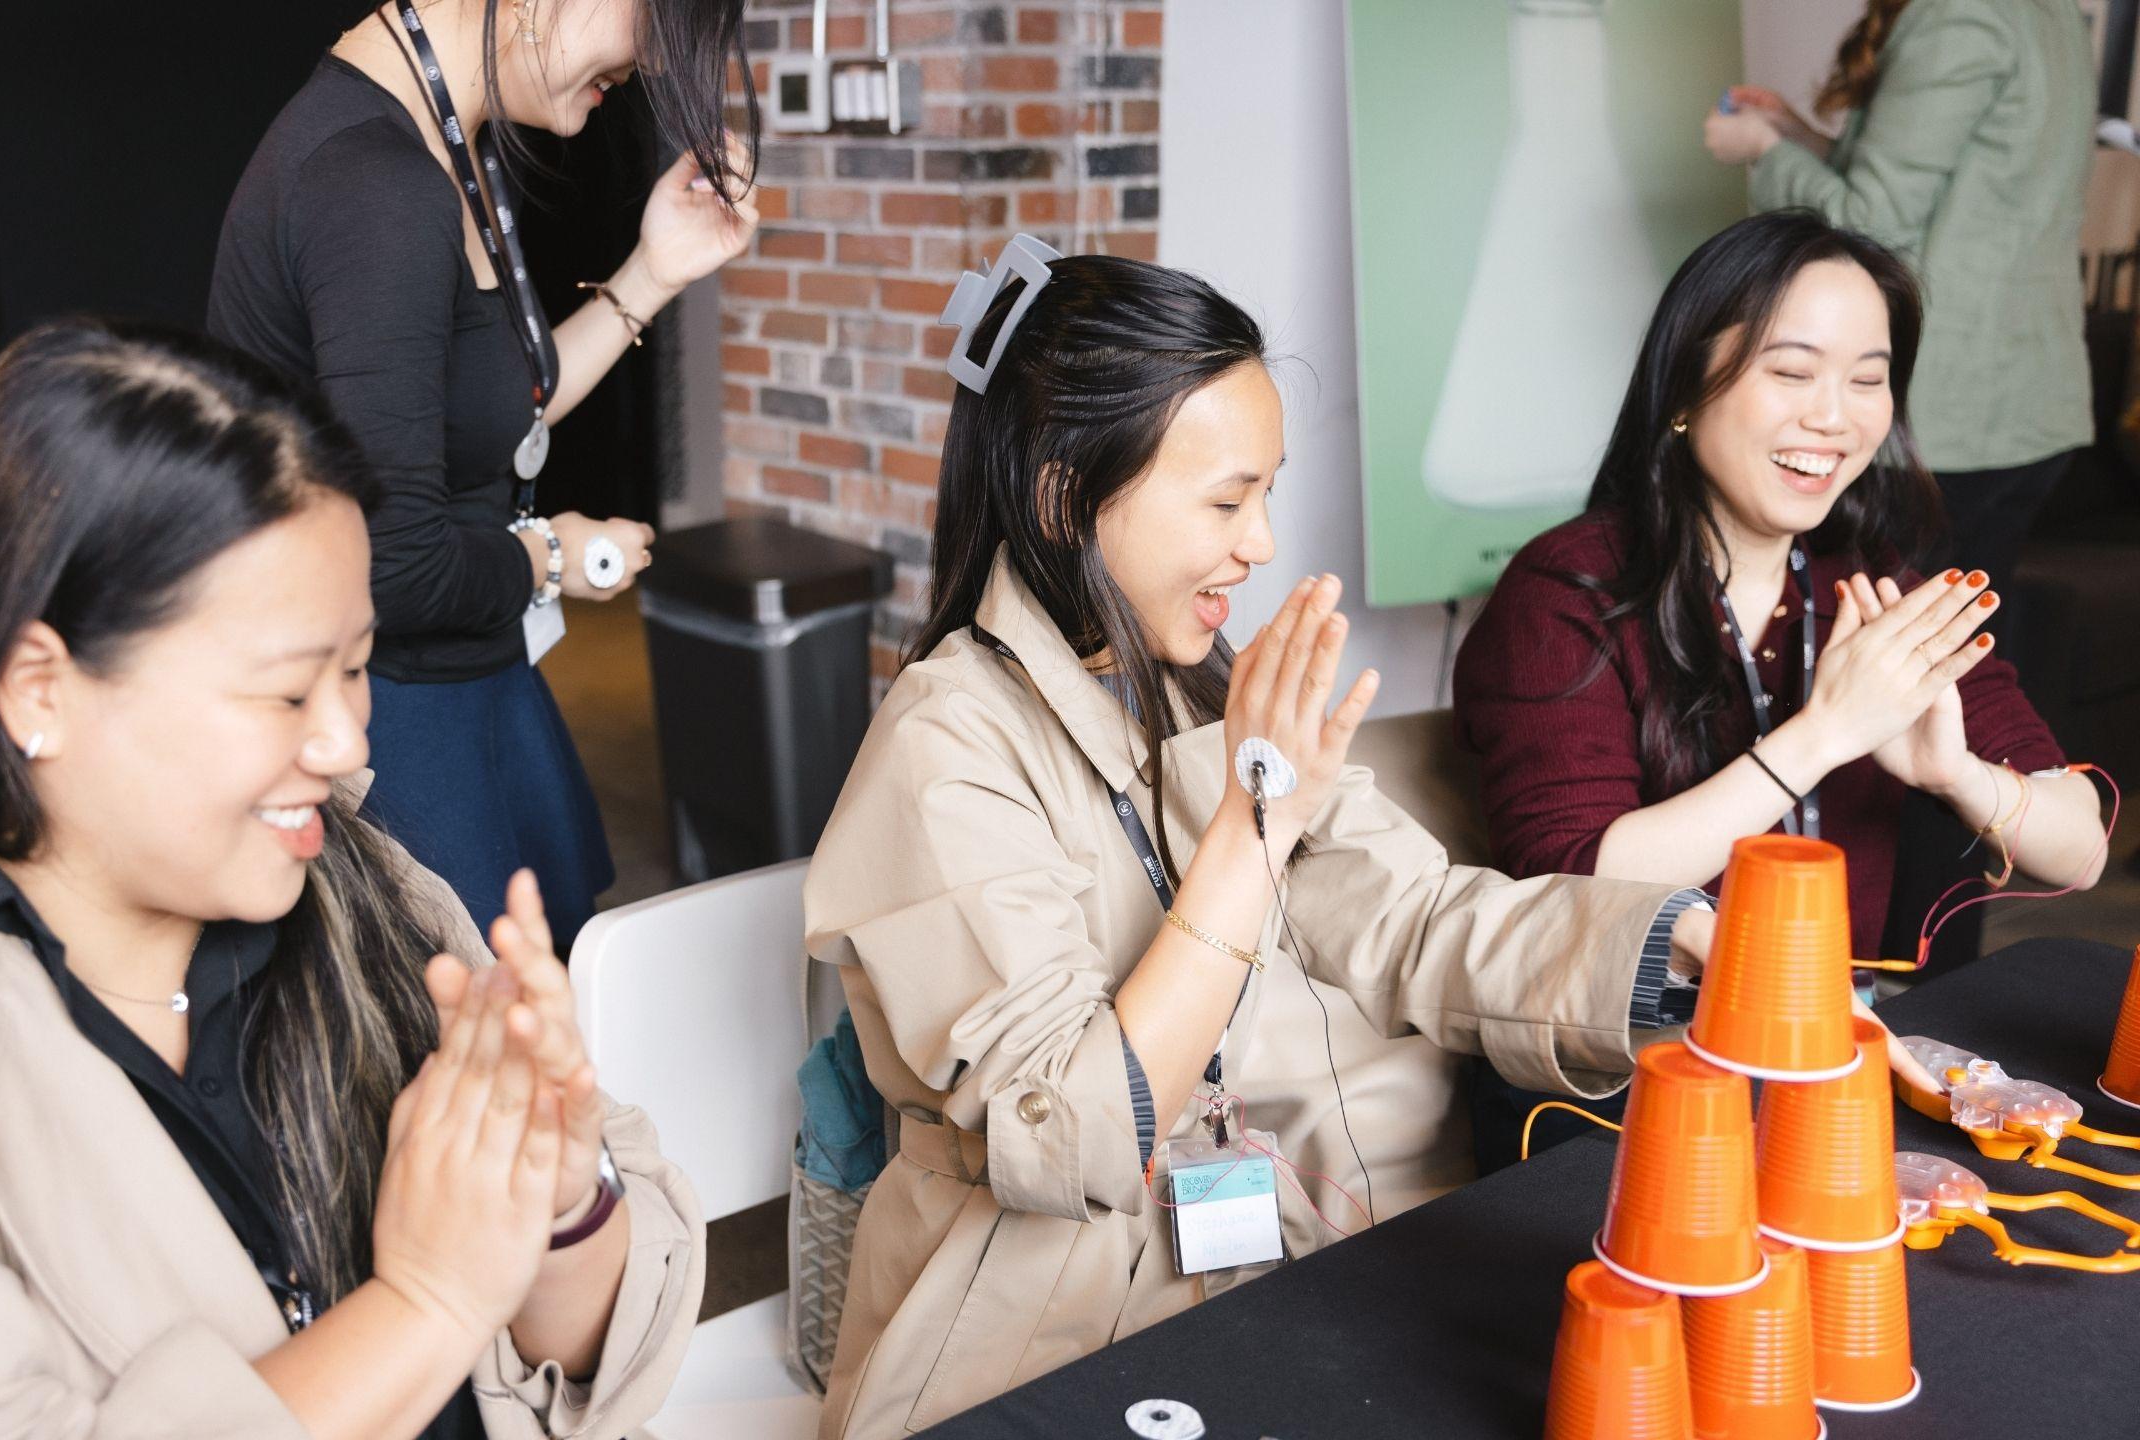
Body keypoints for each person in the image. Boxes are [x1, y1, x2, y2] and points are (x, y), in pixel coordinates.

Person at [0, 321, 704, 1440]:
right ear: (37, 689)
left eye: (356, 669)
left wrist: (558, 1203)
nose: (345, 741)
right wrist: (428, 1303)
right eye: (283, 691)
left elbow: (583, 1358)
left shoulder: (374, 901)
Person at [799, 242, 1787, 1440]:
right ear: (1066, 496)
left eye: (1264, 495)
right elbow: (1072, 1138)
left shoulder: (1203, 694)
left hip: (1225, 1274)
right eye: (1224, 502)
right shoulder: (944, 744)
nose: (1260, 544)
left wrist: (1679, 946)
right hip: (1018, 1333)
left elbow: (1413, 918)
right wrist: (1250, 831)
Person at [210, 0, 758, 945]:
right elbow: (395, 568)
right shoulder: (371, 182)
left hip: (473, 681)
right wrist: (551, 554)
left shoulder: (443, 140)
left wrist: (656, 270)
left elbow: (498, 411)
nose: (645, 70)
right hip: (397, 724)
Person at [1456, 213, 2103, 1010]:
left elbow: (2080, 850)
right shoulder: (1567, 592)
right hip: (1617, 1070)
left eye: (1868, 380)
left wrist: (1957, 775)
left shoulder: (1875, 588)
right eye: (1792, 373)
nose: (1835, 418)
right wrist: (1828, 731)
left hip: (1827, 1045)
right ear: (1686, 385)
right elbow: (1575, 881)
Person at [1704, 0, 2094, 597]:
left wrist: (1762, 149)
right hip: (2028, 403)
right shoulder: (2051, 12)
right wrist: (1798, 135)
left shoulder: (1959, 15)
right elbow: (1955, 184)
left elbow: (1870, 222)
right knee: (1969, 646)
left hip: (1945, 416)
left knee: (1891, 640)